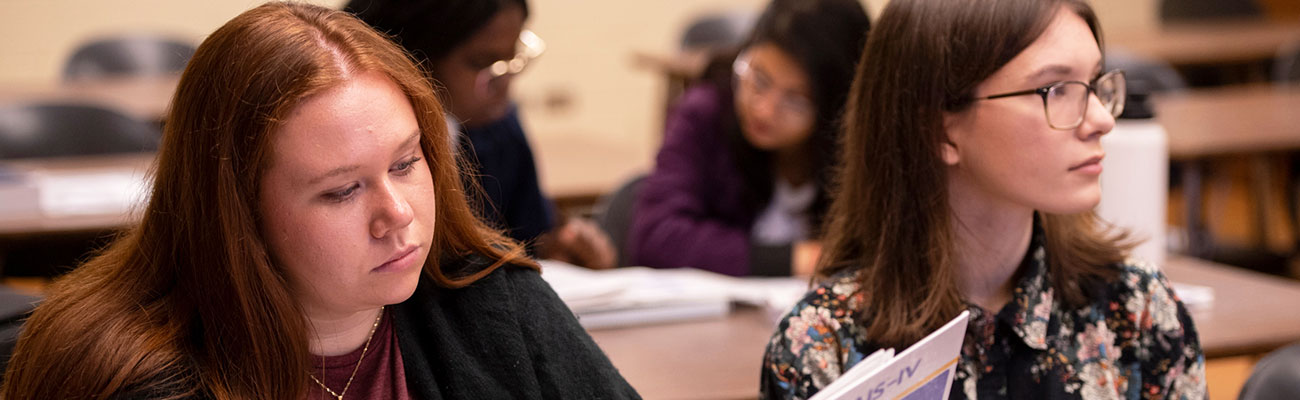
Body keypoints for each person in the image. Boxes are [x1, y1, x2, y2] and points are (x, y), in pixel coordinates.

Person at [1, 3, 639, 399]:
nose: (399, 214)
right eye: (341, 190)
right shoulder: (129, 379)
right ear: (238, 214)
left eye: (406, 162)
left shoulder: (494, 302)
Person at [760, 0, 1207, 398]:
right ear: (939, 128)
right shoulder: (821, 348)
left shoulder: (1138, 309)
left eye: (1093, 83)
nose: (1100, 120)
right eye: (1056, 90)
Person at [345, 0, 615, 269]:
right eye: (484, 63)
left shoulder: (499, 128)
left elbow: (528, 239)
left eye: (513, 57)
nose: (506, 82)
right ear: (414, 57)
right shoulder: (360, 147)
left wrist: (562, 251)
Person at [627, 0, 869, 277]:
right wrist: (794, 259)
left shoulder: (859, 148)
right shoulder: (707, 111)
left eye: (795, 100)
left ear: (838, 106)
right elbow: (657, 236)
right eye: (759, 80)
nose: (764, 110)